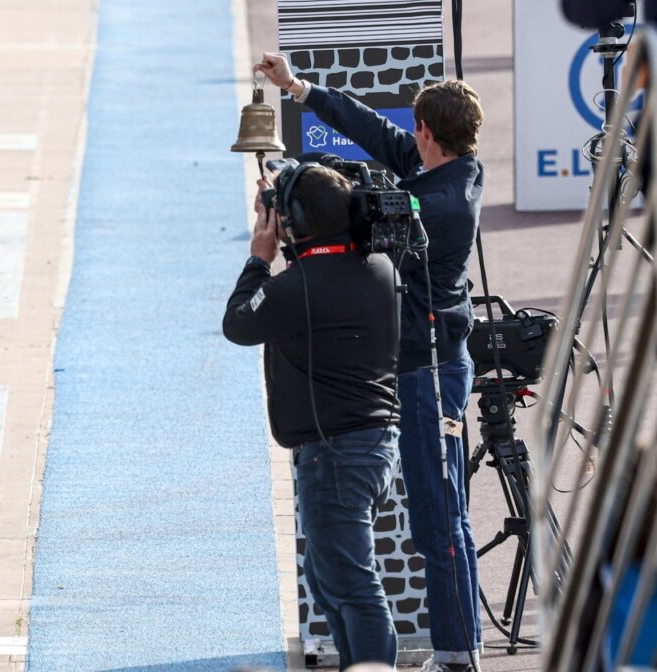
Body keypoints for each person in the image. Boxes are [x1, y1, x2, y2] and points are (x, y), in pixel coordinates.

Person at [255, 52, 485, 672]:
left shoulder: (441, 205)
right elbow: (372, 130)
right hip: (418, 366)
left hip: (426, 373)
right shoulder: (445, 169)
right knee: (439, 517)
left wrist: (300, 185)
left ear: (428, 133)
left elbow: (360, 222)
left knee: (441, 519)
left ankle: (459, 655)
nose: (406, 138)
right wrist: (298, 89)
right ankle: (458, 649)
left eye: (413, 131)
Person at [223, 160, 401, 671]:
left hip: (337, 459)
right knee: (333, 584)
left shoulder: (294, 288)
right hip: (367, 448)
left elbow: (238, 322)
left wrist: (261, 256)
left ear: (293, 223)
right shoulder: (380, 266)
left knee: (352, 587)